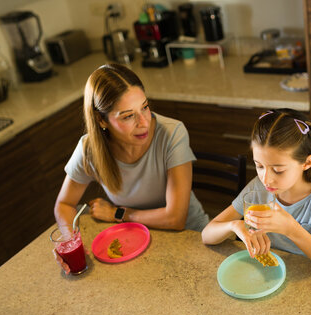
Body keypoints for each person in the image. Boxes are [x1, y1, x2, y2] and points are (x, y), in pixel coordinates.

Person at [201, 109, 311, 288]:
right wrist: (235, 225)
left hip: (305, 286)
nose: (266, 178)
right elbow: (207, 235)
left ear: (307, 163)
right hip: (265, 278)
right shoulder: (258, 188)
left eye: (278, 170)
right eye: (259, 166)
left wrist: (292, 230)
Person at [54, 63, 209, 241]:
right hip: (134, 238)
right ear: (101, 120)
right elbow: (64, 204)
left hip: (190, 235)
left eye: (144, 107)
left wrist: (118, 214)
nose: (144, 122)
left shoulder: (172, 133)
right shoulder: (89, 148)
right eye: (128, 116)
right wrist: (71, 241)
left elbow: (175, 219)